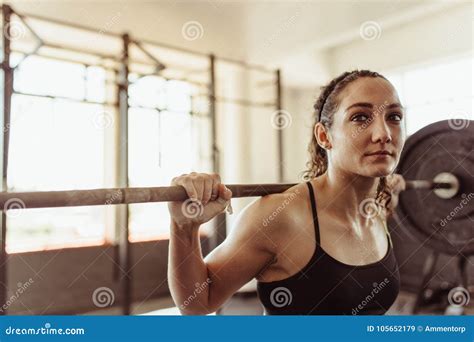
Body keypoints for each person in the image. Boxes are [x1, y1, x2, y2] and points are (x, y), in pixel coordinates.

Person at [168, 69, 407, 315]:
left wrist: (391, 188)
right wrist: (184, 227)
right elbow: (197, 303)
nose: (384, 134)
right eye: (360, 117)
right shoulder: (279, 216)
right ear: (324, 136)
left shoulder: (378, 208)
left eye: (394, 117)